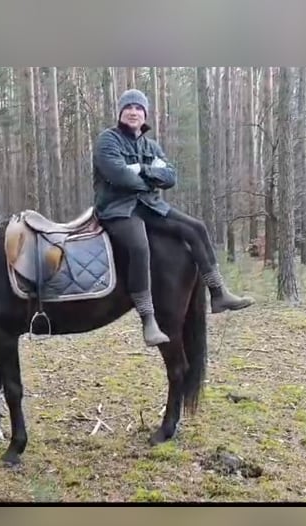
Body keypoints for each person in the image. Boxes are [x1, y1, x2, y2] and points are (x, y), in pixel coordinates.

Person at [92, 88, 255, 347]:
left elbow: (170, 177)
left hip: (149, 206)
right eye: (128, 108)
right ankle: (148, 320)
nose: (133, 112)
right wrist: (150, 175)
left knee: (196, 228)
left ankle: (218, 292)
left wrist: (141, 170)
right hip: (116, 209)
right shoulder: (107, 141)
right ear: (120, 112)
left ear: (145, 114)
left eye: (139, 108)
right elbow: (119, 176)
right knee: (139, 246)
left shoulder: (150, 145)